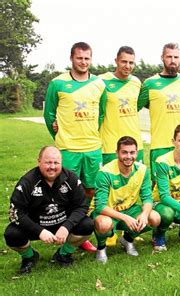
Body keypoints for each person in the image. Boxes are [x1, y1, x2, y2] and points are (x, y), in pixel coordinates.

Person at [43, 41, 106, 253]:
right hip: (68, 149)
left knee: (90, 190)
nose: (83, 62)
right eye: (80, 58)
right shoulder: (58, 83)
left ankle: (82, 233)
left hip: (92, 148)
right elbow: (48, 114)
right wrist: (59, 135)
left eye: (87, 58)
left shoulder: (98, 84)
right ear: (71, 58)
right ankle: (64, 233)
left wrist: (91, 133)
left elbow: (102, 113)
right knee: (66, 192)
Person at [4, 146, 94, 274]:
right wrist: (39, 231)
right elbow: (16, 213)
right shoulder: (27, 181)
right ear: (39, 161)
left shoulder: (71, 178)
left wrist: (66, 227)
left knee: (88, 225)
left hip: (62, 224)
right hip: (36, 225)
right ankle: (29, 257)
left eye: (56, 162)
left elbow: (82, 206)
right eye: (48, 162)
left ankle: (63, 254)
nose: (52, 166)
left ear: (61, 163)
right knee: (12, 235)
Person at [93, 136, 161, 263]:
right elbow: (100, 206)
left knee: (154, 217)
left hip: (129, 209)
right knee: (104, 224)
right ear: (117, 153)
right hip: (108, 212)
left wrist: (144, 214)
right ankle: (101, 247)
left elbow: (147, 198)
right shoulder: (105, 172)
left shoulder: (142, 170)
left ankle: (128, 240)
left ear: (136, 153)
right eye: (124, 152)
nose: (128, 156)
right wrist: (125, 218)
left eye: (132, 152)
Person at [137, 42, 180, 176]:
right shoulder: (150, 83)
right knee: (158, 188)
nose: (172, 61)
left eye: (176, 57)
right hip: (160, 145)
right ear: (162, 58)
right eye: (169, 57)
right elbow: (137, 106)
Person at [99, 46, 144, 165]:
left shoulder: (136, 82)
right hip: (110, 145)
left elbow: (138, 106)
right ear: (116, 60)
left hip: (135, 145)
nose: (127, 66)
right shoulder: (101, 81)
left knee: (136, 182)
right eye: (124, 61)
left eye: (131, 62)